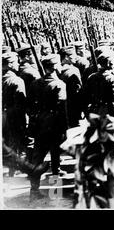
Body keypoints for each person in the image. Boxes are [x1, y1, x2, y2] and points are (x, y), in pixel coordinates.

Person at [28, 54, 68, 200]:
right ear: (55, 66)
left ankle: (34, 191)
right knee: (55, 159)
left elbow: (30, 106)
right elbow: (62, 110)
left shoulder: (35, 84)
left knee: (37, 159)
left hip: (40, 126)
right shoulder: (59, 85)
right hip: (55, 126)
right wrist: (64, 129)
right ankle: (55, 193)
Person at [2, 52, 27, 173]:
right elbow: (21, 103)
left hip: (3, 114)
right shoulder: (17, 81)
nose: (18, 64)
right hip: (14, 115)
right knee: (17, 141)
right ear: (10, 64)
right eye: (16, 62)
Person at [84, 49, 114, 120]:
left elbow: (86, 97)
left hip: (97, 112)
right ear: (110, 63)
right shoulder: (112, 78)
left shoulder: (91, 77)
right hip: (110, 112)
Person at [58, 46, 83, 128]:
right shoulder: (74, 70)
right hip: (74, 105)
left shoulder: (57, 70)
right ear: (66, 57)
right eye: (72, 55)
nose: (75, 57)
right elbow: (78, 90)